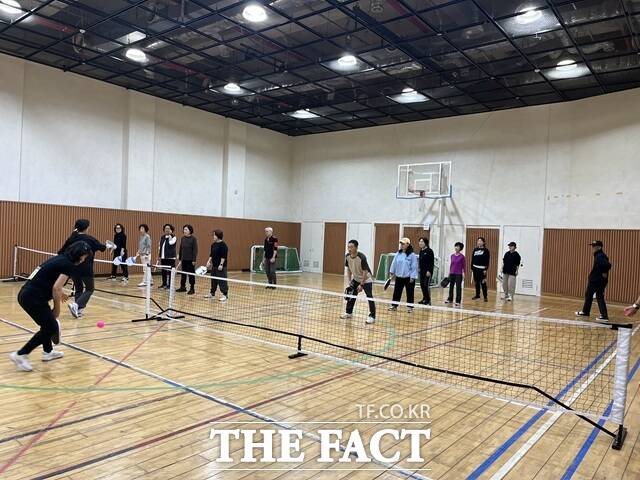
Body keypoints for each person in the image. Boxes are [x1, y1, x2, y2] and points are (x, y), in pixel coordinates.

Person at [9, 241, 91, 371]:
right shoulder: (68, 265)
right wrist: (57, 309)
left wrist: (61, 293)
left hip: (28, 294)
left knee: (46, 325)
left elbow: (47, 279)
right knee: (51, 327)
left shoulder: (61, 258)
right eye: (84, 256)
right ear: (79, 255)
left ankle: (48, 352)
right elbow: (56, 288)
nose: (84, 259)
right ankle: (21, 354)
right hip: (33, 298)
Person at [58, 219, 108, 318]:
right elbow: (102, 248)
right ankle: (76, 305)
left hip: (73, 268)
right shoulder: (90, 239)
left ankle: (78, 310)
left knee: (79, 288)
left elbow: (60, 252)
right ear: (87, 228)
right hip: (86, 268)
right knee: (90, 288)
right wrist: (108, 246)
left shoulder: (72, 238)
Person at [340, 240, 376, 324]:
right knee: (351, 295)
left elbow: (365, 271)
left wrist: (361, 284)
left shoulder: (361, 257)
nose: (349, 249)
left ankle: (372, 316)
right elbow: (349, 269)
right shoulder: (347, 256)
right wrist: (349, 280)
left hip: (366, 279)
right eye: (348, 247)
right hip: (356, 279)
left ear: (356, 247)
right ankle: (349, 313)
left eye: (351, 247)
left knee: (369, 297)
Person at [576, 240, 611, 321]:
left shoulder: (600, 256)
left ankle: (604, 316)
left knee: (599, 296)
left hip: (597, 281)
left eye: (594, 246)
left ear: (599, 247)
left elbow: (607, 265)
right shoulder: (598, 255)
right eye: (592, 246)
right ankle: (585, 312)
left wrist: (604, 272)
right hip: (596, 280)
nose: (593, 247)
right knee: (589, 294)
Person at [388, 238, 418, 312]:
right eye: (401, 244)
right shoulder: (398, 254)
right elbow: (394, 263)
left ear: (408, 244)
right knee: (396, 292)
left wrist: (412, 277)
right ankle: (394, 306)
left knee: (410, 292)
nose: (401, 245)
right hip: (399, 277)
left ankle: (410, 307)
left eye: (403, 244)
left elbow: (414, 267)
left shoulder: (412, 255)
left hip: (408, 277)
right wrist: (392, 271)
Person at [205, 229, 228, 302]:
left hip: (221, 267)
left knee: (222, 281)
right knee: (213, 281)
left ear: (218, 236)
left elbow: (224, 256)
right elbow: (211, 254)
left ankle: (225, 295)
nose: (213, 236)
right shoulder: (213, 244)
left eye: (214, 235)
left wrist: (221, 264)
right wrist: (208, 261)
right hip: (214, 266)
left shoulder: (223, 245)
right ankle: (212, 293)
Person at [177, 224, 198, 295]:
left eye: (186, 229)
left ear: (190, 230)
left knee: (191, 275)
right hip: (184, 259)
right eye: (184, 229)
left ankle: (192, 288)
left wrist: (194, 260)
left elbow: (195, 250)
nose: (184, 231)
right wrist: (180, 257)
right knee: (183, 274)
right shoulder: (182, 238)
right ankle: (183, 287)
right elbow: (181, 248)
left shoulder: (193, 239)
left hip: (190, 260)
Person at [445, 242, 465, 307]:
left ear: (460, 248)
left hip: (458, 274)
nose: (456, 247)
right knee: (451, 286)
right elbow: (451, 265)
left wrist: (463, 273)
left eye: (458, 246)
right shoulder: (452, 256)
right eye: (456, 246)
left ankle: (458, 301)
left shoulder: (462, 257)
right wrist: (449, 272)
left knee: (458, 288)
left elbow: (464, 266)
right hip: (452, 273)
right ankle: (450, 299)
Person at [471, 236, 490, 302]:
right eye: (478, 241)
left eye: (480, 241)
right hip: (475, 268)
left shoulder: (486, 250)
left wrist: (485, 269)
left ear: (483, 242)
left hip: (482, 269)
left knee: (483, 283)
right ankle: (477, 295)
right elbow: (473, 259)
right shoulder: (475, 249)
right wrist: (472, 268)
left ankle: (485, 297)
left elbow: (487, 261)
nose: (479, 242)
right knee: (476, 283)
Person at [158, 224, 177, 290]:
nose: (167, 230)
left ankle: (170, 285)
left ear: (171, 230)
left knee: (170, 272)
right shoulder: (162, 237)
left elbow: (170, 243)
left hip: (170, 258)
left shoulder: (174, 237)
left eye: (168, 228)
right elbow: (160, 246)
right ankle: (164, 284)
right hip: (163, 257)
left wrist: (170, 236)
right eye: (166, 228)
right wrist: (160, 255)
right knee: (164, 271)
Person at [418, 237, 434, 305]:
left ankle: (428, 300)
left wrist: (429, 271)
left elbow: (431, 262)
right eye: (419, 241)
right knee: (422, 285)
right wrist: (419, 268)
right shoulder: (421, 251)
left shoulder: (429, 251)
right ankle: (424, 298)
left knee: (426, 285)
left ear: (426, 243)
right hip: (422, 271)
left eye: (422, 242)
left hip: (428, 272)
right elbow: (420, 261)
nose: (420, 243)